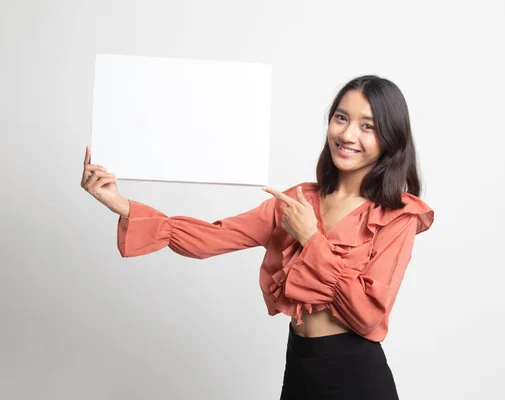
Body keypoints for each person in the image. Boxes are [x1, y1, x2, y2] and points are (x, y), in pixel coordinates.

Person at [81, 75, 434, 399]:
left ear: (390, 137)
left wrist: (311, 238)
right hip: (299, 365)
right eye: (341, 118)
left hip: (356, 376)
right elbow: (213, 237)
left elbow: (367, 314)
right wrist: (122, 204)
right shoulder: (298, 201)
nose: (347, 134)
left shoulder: (396, 215)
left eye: (367, 126)